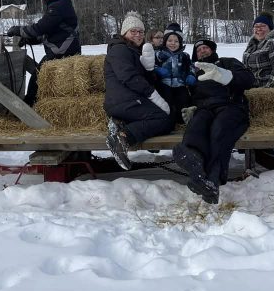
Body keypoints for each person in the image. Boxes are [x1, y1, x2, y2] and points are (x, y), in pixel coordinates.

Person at [172, 38, 255, 204]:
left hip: (230, 107)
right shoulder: (194, 73)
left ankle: (213, 181)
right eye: (199, 49)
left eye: (205, 48)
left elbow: (248, 79)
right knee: (196, 127)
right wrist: (191, 107)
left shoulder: (227, 62)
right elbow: (187, 95)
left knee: (219, 130)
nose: (202, 50)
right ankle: (195, 168)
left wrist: (225, 75)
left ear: (212, 50)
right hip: (205, 109)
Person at [103, 12, 175, 170]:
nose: (138, 34)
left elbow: (145, 79)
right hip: (123, 100)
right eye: (133, 31)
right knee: (164, 120)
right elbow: (128, 77)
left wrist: (149, 70)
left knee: (169, 114)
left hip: (127, 99)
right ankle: (123, 138)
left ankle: (120, 122)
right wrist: (152, 94)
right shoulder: (119, 50)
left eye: (141, 32)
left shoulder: (134, 50)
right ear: (124, 33)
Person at [6, 0, 81, 105]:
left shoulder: (57, 8)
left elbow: (39, 28)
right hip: (64, 51)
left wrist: (18, 30)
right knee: (39, 76)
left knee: (37, 78)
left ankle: (28, 107)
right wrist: (30, 40)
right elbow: (49, 33)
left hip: (62, 53)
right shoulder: (61, 5)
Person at [153, 25, 196, 125]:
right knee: (167, 101)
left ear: (180, 43)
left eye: (176, 41)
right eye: (170, 40)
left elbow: (191, 67)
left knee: (183, 99)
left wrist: (191, 75)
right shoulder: (158, 54)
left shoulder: (184, 56)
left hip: (180, 84)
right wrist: (157, 69)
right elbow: (151, 66)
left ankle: (185, 117)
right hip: (164, 84)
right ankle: (168, 118)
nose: (173, 43)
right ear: (165, 41)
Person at [242, 12, 274, 90]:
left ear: (270, 28)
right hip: (254, 90)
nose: (259, 29)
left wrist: (267, 91)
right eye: (256, 26)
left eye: (263, 26)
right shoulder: (253, 44)